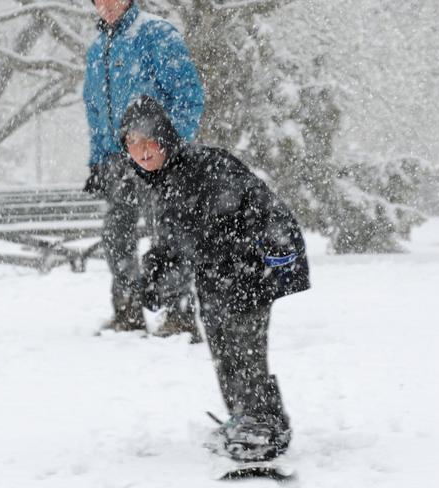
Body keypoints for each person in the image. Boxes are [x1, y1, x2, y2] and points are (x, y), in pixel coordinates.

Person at [120, 95, 310, 461]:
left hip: (248, 267)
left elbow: (256, 209)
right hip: (215, 273)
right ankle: (243, 416)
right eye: (132, 144)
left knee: (243, 346)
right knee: (222, 347)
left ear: (165, 137)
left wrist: (273, 254)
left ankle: (263, 423)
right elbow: (174, 243)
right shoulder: (164, 182)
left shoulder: (202, 166)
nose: (142, 151)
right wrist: (154, 278)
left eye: (148, 141)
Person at [83, 0, 204, 340]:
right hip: (118, 160)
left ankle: (178, 313)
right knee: (116, 234)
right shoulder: (98, 50)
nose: (106, 4)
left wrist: (171, 144)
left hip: (158, 154)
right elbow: (95, 111)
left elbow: (189, 96)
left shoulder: (156, 34)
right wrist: (98, 160)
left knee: (167, 233)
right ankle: (129, 310)